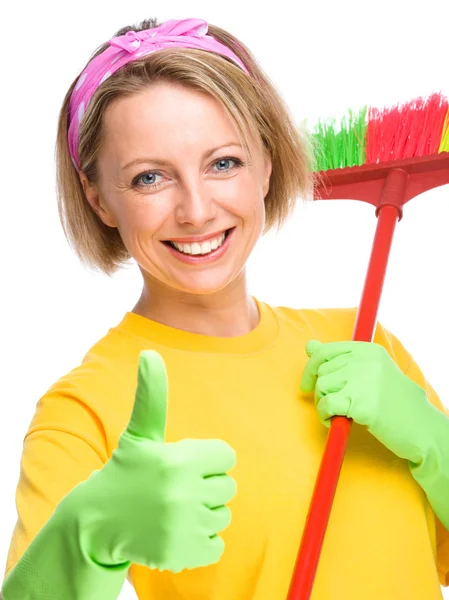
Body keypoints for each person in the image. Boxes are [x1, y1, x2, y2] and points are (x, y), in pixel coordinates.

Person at [2, 15, 449, 600]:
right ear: (99, 199)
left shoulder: (363, 343)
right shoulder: (90, 406)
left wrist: (434, 441)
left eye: (223, 163)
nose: (196, 210)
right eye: (149, 177)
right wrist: (85, 538)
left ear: (265, 163)